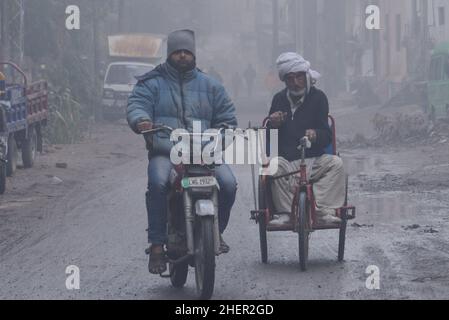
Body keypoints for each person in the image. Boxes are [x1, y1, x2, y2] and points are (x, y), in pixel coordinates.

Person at [127, 29, 238, 274]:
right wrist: (142, 120)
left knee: (229, 184)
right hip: (165, 150)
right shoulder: (152, 82)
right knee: (157, 183)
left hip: (204, 152)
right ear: (170, 54)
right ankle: (157, 245)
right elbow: (137, 104)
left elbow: (228, 118)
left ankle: (214, 233)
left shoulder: (211, 86)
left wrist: (222, 135)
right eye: (178, 51)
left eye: (187, 51)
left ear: (194, 55)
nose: (183, 56)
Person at [267, 52, 345, 225]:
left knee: (337, 164)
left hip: (314, 159)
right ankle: (286, 213)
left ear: (306, 76)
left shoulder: (319, 98)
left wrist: (316, 134)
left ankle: (321, 210)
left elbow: (326, 136)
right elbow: (269, 140)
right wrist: (273, 124)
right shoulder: (278, 99)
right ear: (285, 80)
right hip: (287, 162)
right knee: (272, 166)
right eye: (290, 78)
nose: (295, 83)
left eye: (300, 77)